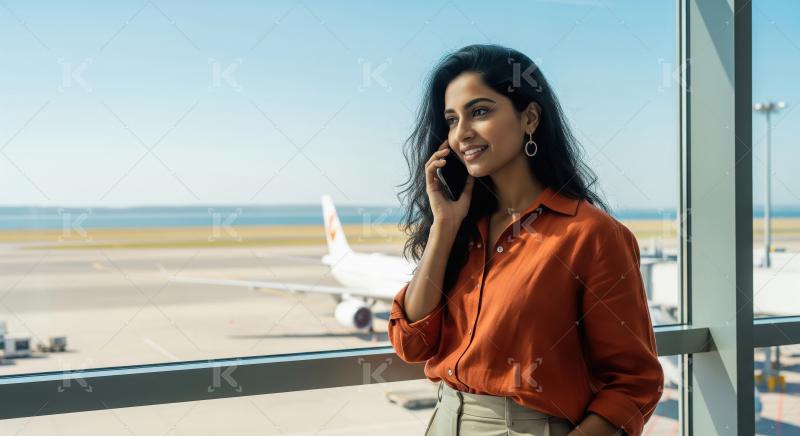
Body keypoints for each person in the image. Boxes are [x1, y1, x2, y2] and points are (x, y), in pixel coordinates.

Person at [389, 44, 664, 436]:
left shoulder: (591, 235)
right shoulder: (464, 227)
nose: (461, 133)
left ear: (529, 117)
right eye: (451, 120)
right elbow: (411, 343)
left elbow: (634, 383)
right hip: (444, 420)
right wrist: (444, 226)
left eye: (480, 112)